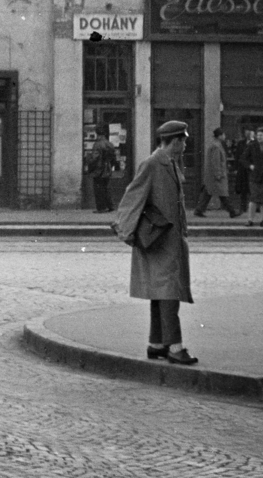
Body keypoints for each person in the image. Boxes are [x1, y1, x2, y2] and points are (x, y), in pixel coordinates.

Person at [113, 120, 197, 365]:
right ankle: (175, 347)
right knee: (168, 290)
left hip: (168, 240)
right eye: (183, 141)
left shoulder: (169, 163)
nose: (185, 145)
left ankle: (156, 343)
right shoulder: (152, 164)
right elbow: (132, 197)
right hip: (159, 240)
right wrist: (126, 231)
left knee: (160, 291)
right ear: (176, 141)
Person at [194, 127, 237, 218]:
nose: (225, 136)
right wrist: (218, 174)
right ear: (219, 136)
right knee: (223, 194)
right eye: (223, 134)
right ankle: (232, 211)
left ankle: (199, 210)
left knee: (208, 192)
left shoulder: (215, 145)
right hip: (216, 176)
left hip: (211, 176)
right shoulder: (216, 147)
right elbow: (216, 161)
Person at [88, 128, 116, 213]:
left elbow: (95, 158)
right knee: (106, 188)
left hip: (99, 170)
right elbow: (113, 157)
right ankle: (110, 206)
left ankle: (101, 208)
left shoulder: (97, 144)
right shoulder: (110, 144)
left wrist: (89, 162)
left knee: (98, 189)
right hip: (107, 169)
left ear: (98, 134)